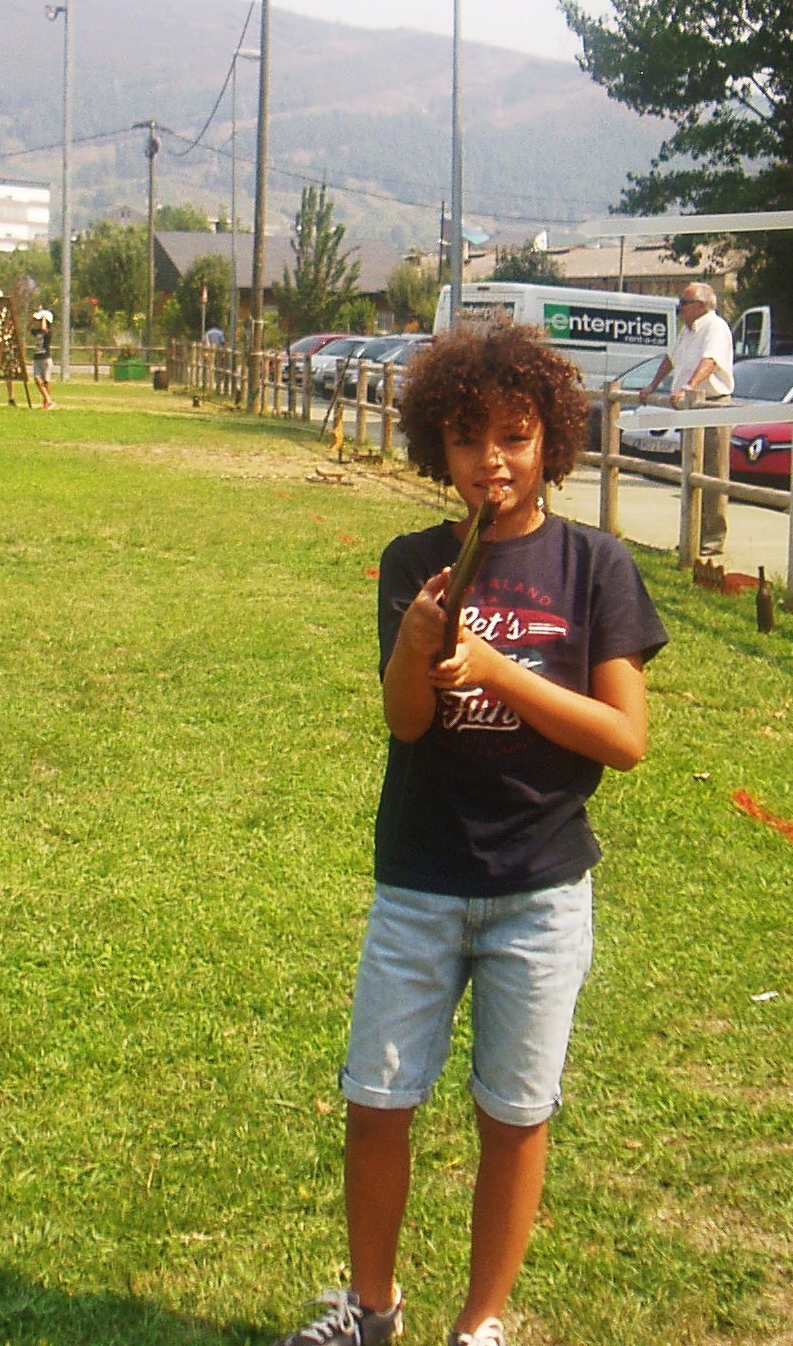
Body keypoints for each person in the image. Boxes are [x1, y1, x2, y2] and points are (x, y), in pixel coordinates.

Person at [275, 323, 667, 1346]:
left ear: (551, 442)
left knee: (515, 1115)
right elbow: (405, 721)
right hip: (421, 880)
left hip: (540, 891)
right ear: (435, 447)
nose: (491, 461)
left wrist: (499, 672)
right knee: (376, 1101)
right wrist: (417, 643)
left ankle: (479, 1324)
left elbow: (624, 739)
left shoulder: (594, 566)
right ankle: (370, 1309)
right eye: (465, 439)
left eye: (513, 437)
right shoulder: (415, 562)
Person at [635, 280, 735, 558]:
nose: (679, 308)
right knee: (692, 472)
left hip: (712, 404)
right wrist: (653, 385)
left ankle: (713, 538)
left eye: (684, 303)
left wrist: (689, 386)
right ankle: (692, 535)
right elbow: (671, 359)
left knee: (713, 473)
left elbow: (710, 361)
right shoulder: (687, 331)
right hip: (691, 407)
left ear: (701, 305)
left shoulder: (715, 327)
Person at [29, 308, 56, 410]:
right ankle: (49, 400)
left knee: (46, 381)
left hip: (45, 358)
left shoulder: (48, 332)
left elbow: (44, 329)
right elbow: (28, 328)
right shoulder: (37, 332)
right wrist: (33, 319)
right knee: (37, 379)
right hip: (37, 358)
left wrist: (44, 317)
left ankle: (46, 402)